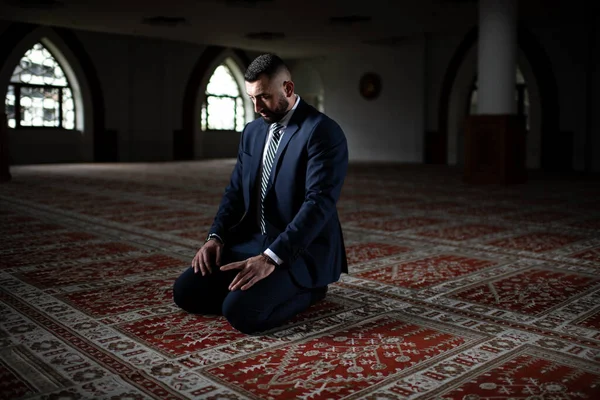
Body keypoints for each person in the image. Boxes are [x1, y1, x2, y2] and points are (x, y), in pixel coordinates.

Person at [173, 54, 348, 334]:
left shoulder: (322, 131)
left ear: (288, 89)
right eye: (252, 98)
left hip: (299, 249)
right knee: (186, 293)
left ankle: (312, 289)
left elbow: (318, 205)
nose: (257, 107)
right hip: (253, 240)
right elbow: (234, 192)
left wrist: (270, 258)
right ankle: (256, 290)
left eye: (264, 97)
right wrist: (215, 237)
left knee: (241, 314)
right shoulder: (253, 132)